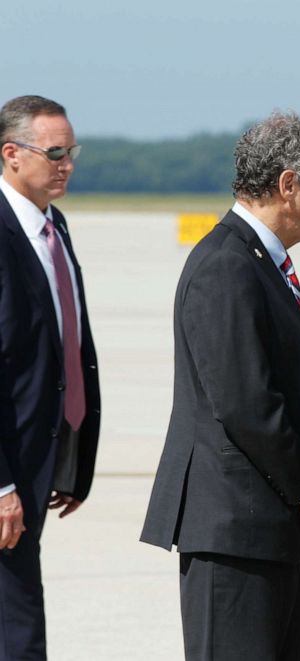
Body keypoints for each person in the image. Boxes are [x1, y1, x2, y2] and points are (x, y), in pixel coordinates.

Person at [140, 112, 300, 661]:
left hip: (268, 530)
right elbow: (247, 403)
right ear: (289, 185)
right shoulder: (226, 265)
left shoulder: (258, 261)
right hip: (236, 535)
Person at [0, 95, 101, 660]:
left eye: (72, 152)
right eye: (54, 152)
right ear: (11, 154)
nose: (66, 164)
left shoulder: (52, 224)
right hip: (7, 468)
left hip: (44, 452)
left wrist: (71, 452)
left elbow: (67, 341)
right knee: (18, 625)